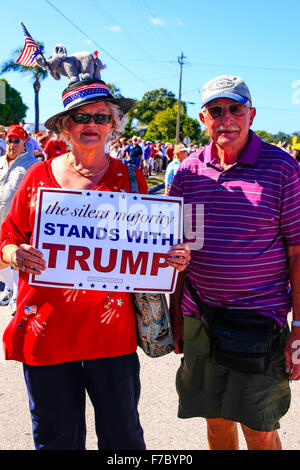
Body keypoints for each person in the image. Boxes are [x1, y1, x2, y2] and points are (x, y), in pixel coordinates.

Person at [0, 78, 190, 450]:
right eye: (80, 116)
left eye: (101, 117)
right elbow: (7, 238)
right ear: (65, 125)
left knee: (122, 439)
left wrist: (171, 258)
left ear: (113, 125)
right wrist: (15, 254)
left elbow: (149, 246)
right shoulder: (38, 177)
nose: (91, 124)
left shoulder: (131, 178)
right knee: (57, 439)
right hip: (48, 329)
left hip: (111, 337)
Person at [169, 75, 300, 450]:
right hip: (201, 319)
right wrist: (177, 314)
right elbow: (182, 250)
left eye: (235, 109)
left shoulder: (282, 168)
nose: (226, 118)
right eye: (216, 110)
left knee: (260, 428)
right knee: (216, 421)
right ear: (203, 118)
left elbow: (297, 251)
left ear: (251, 114)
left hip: (260, 322)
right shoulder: (189, 173)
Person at [0, 125, 37, 315]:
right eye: (9, 141)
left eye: (16, 141)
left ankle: (16, 295)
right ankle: (8, 288)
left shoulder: (33, 165)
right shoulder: (0, 162)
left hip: (18, 224)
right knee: (0, 261)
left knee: (15, 259)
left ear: (24, 143)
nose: (11, 145)